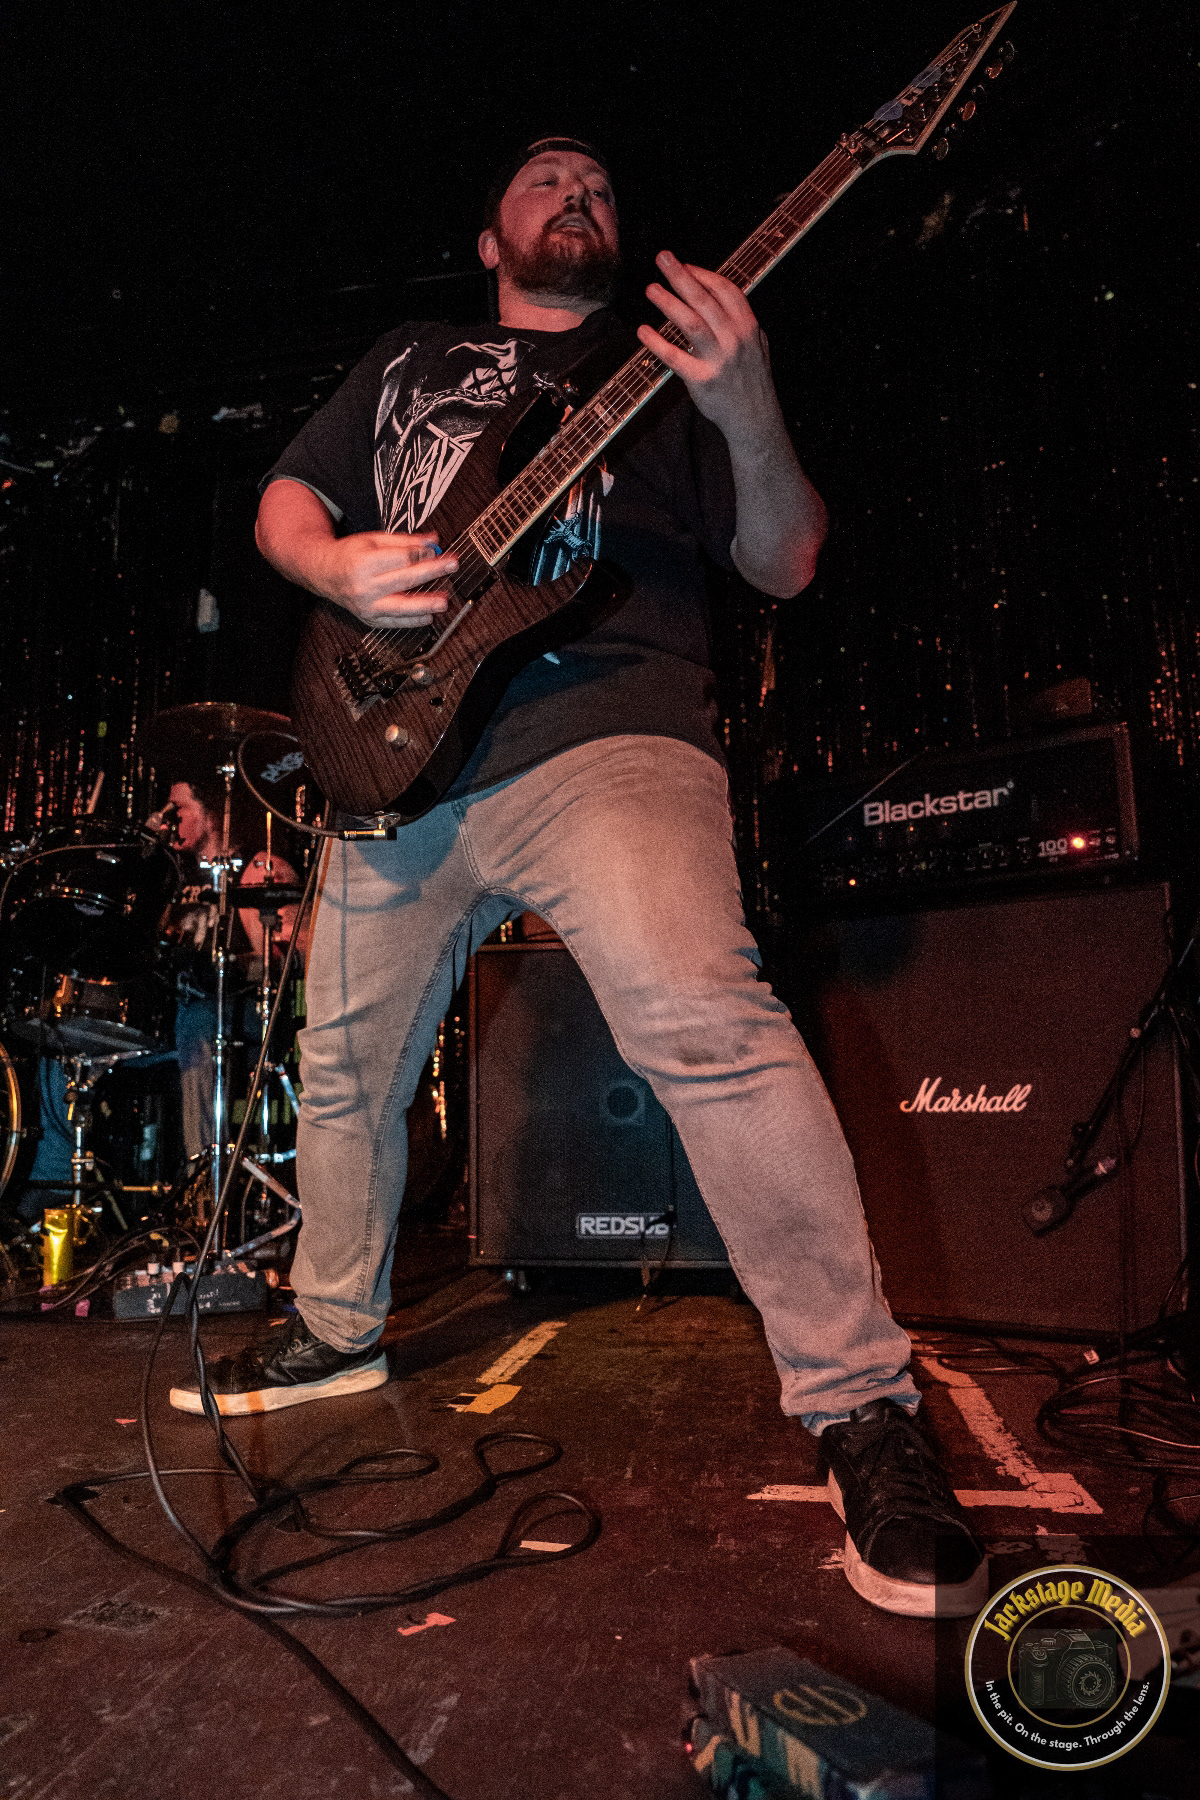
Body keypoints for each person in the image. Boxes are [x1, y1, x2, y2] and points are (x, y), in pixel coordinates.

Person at [171, 138, 987, 1620]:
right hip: (399, 755)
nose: (577, 194)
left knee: (705, 1021)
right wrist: (338, 571)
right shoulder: (411, 356)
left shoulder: (665, 364)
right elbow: (288, 496)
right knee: (343, 1064)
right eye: (546, 180)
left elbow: (786, 560)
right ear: (492, 236)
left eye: (599, 184)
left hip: (608, 731)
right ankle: (334, 1327)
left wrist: (746, 403)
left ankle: (861, 1406)